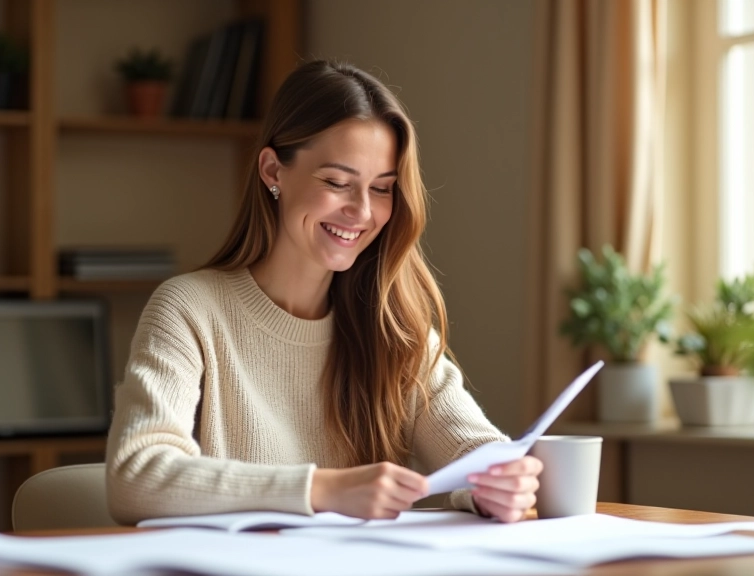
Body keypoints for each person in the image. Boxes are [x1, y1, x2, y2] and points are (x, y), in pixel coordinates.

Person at [105, 59, 541, 525]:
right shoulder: (190, 310)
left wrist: (498, 485)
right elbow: (136, 477)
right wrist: (323, 489)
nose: (361, 211)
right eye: (337, 183)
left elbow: (474, 450)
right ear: (273, 171)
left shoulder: (393, 325)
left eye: (382, 189)